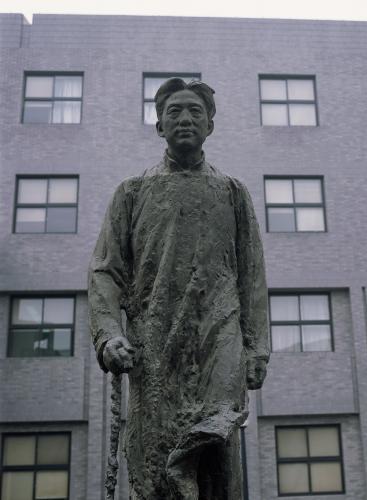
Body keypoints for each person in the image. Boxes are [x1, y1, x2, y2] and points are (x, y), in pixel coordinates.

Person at [88, 78, 269, 500]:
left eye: (195, 111)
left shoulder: (233, 192)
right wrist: (109, 335)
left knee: (216, 448)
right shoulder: (132, 192)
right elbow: (105, 271)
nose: (185, 118)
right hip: (155, 342)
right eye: (174, 111)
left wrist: (256, 348)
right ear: (159, 126)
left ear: (210, 125)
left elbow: (252, 276)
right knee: (156, 456)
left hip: (219, 338)